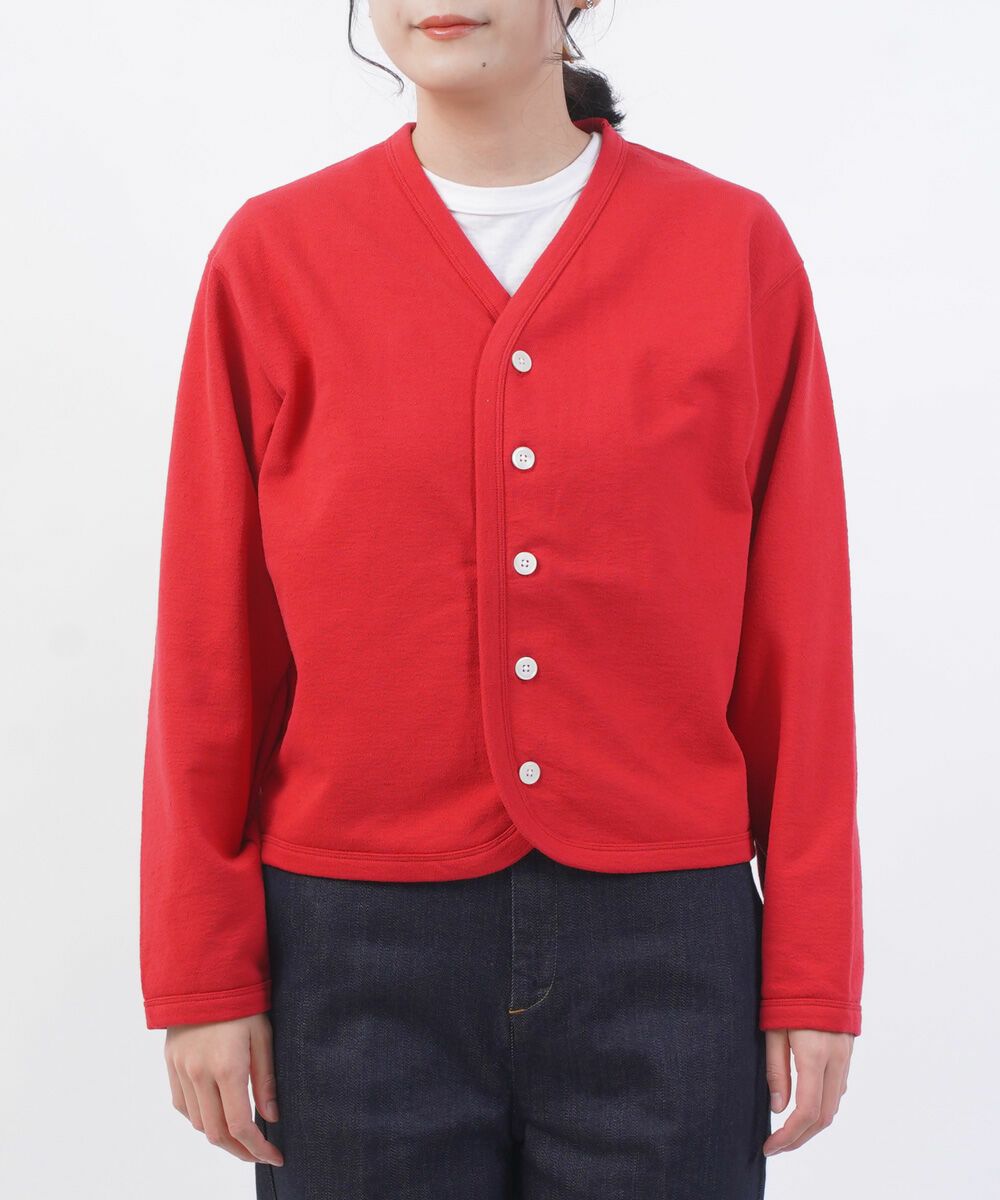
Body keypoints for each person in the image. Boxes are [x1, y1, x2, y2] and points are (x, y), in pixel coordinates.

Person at [139, 2, 864, 1196]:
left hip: (666, 946)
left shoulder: (730, 248)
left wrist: (811, 966)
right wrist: (202, 974)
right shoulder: (275, 256)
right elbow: (212, 642)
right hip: (351, 950)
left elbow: (800, 633)